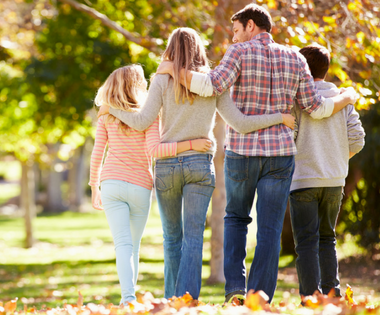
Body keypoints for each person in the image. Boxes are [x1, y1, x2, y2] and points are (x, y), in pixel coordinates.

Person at [156, 4, 359, 303]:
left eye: (237, 30)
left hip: (242, 151)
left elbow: (210, 85)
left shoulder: (238, 53)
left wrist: (175, 69)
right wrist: (346, 96)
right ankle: (259, 297)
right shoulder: (294, 57)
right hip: (280, 155)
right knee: (270, 228)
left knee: (236, 218)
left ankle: (235, 291)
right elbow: (315, 108)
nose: (235, 38)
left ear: (251, 26)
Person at [97, 28, 295, 300]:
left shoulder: (162, 80)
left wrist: (112, 109)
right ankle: (186, 301)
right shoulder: (213, 83)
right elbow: (240, 123)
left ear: (171, 50)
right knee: (193, 238)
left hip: (167, 166)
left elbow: (142, 122)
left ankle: (171, 301)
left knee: (171, 238)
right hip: (199, 165)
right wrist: (279, 117)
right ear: (200, 50)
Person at [89, 64, 213, 305]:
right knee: (132, 246)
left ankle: (127, 299)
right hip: (140, 187)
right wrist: (191, 145)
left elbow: (97, 153)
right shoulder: (149, 116)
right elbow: (156, 151)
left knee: (123, 244)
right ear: (136, 87)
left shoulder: (106, 115)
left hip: (111, 184)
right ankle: (128, 299)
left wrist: (95, 185)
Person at [289, 44, 365, 298]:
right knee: (327, 238)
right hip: (334, 180)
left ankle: (311, 297)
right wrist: (336, 160)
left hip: (303, 180)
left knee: (306, 243)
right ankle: (332, 294)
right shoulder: (341, 98)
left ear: (301, 66)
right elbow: (358, 139)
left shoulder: (296, 99)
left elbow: (289, 137)